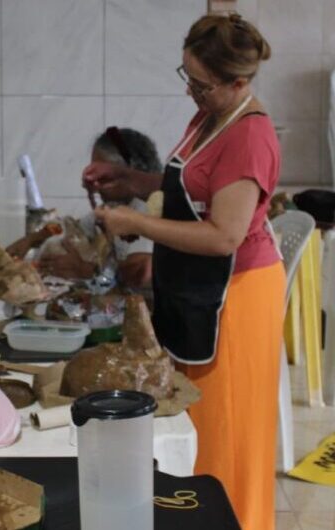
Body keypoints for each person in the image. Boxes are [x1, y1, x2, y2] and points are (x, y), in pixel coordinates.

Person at [88, 14, 283, 530]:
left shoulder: (250, 136)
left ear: (238, 82)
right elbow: (192, 187)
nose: (193, 92)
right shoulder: (212, 115)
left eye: (203, 84)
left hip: (236, 298)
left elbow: (223, 235)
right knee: (198, 430)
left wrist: (137, 222)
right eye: (188, 78)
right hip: (198, 290)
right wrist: (128, 179)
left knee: (227, 436)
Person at [7, 127, 161, 289]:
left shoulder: (146, 208)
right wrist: (33, 239)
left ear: (128, 173)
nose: (93, 184)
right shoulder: (112, 208)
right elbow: (70, 227)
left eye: (102, 175)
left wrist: (86, 271)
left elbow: (140, 275)